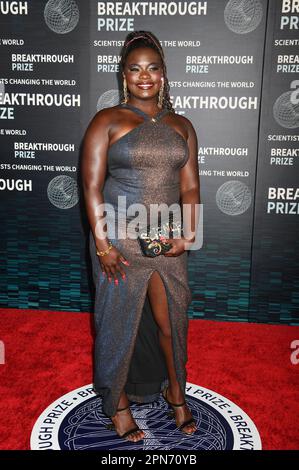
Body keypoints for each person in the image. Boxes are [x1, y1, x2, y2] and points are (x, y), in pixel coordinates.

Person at [81, 30, 200, 443]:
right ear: (124, 75)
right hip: (119, 237)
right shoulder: (107, 120)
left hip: (168, 239)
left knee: (172, 322)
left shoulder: (182, 125)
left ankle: (177, 393)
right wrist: (102, 246)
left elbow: (189, 188)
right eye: (135, 68)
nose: (144, 76)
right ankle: (117, 404)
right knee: (118, 323)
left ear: (163, 75)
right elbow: (92, 187)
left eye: (152, 68)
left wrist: (189, 236)